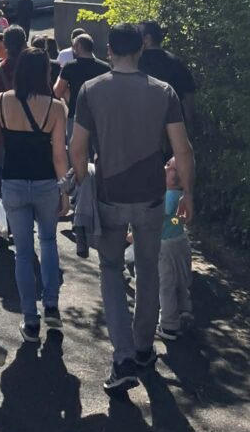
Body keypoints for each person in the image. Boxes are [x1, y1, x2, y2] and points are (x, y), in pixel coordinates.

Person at [70, 23, 195, 395]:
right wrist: (188, 193)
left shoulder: (91, 90)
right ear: (141, 50)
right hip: (151, 195)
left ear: (108, 50)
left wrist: (84, 183)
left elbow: (77, 147)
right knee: (148, 269)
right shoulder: (163, 91)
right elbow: (182, 149)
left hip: (109, 194)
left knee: (111, 271)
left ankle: (122, 358)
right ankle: (143, 347)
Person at [0, 47, 69, 342]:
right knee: (48, 242)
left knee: (22, 252)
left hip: (13, 182)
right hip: (46, 183)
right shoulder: (56, 108)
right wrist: (65, 191)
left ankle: (30, 320)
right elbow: (59, 156)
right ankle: (52, 304)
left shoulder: (1, 101)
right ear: (46, 72)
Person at [156, 157, 193, 341]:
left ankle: (169, 325)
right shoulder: (181, 195)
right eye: (167, 164)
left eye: (170, 167)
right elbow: (178, 219)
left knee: (167, 285)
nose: (165, 168)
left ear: (174, 177)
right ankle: (184, 311)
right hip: (180, 240)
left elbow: (158, 216)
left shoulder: (169, 196)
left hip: (166, 245)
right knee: (181, 280)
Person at [138, 21, 197, 129]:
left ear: (147, 39)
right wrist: (189, 123)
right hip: (173, 123)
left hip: (142, 123)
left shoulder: (136, 63)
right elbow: (189, 94)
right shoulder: (176, 62)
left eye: (138, 34)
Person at [53, 33, 110, 140]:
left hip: (76, 114)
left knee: (75, 148)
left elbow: (58, 91)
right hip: (98, 116)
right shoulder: (105, 68)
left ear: (79, 46)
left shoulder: (70, 67)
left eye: (74, 46)